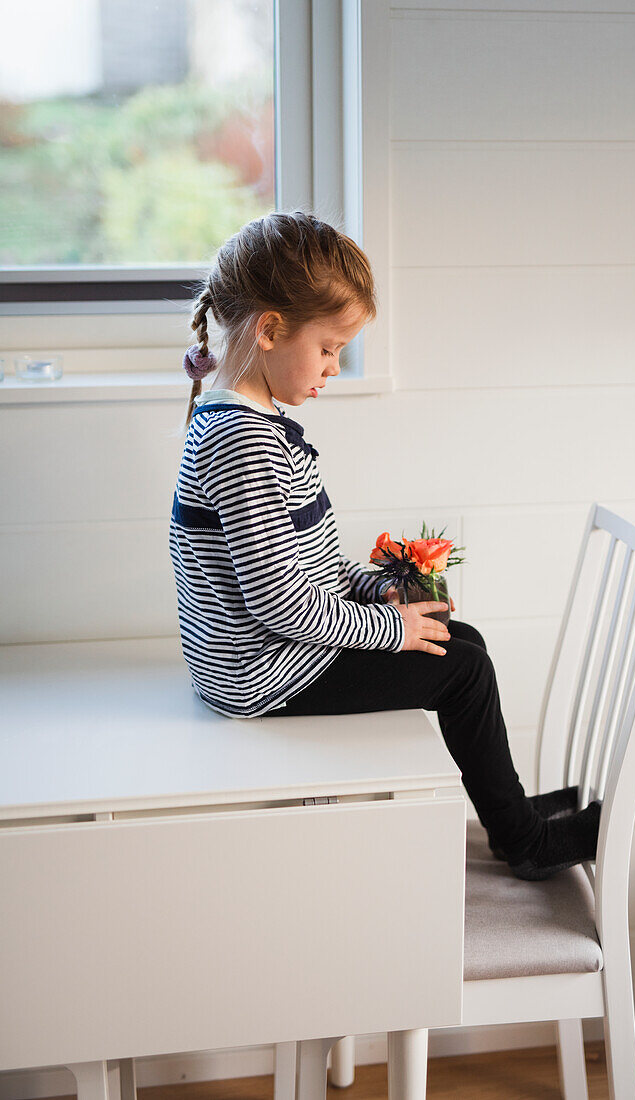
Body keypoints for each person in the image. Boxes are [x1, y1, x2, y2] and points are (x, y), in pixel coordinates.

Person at [169, 210, 600, 881]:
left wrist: (374, 588)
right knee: (464, 671)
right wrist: (389, 629)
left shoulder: (253, 423)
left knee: (466, 642)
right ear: (271, 329)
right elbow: (280, 603)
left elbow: (305, 566)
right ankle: (522, 840)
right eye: (329, 348)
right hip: (265, 671)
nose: (335, 368)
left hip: (276, 649)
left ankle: (507, 805)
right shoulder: (245, 441)